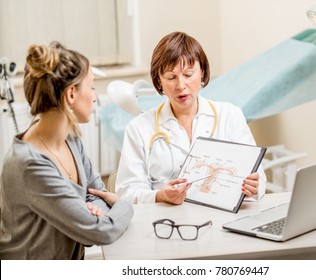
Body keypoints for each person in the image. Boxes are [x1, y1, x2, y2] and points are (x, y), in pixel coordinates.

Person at [0, 42, 133, 259]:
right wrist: (123, 205)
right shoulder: (29, 165)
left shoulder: (70, 138)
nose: (94, 96)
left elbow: (97, 192)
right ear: (71, 94)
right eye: (91, 87)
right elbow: (100, 231)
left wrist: (90, 215)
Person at [115, 31, 267, 205]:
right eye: (171, 77)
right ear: (159, 81)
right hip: (164, 223)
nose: (181, 85)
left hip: (219, 220)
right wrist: (160, 195)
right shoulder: (139, 128)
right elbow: (127, 192)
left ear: (202, 72)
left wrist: (253, 187)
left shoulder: (230, 116)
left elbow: (259, 179)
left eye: (188, 74)